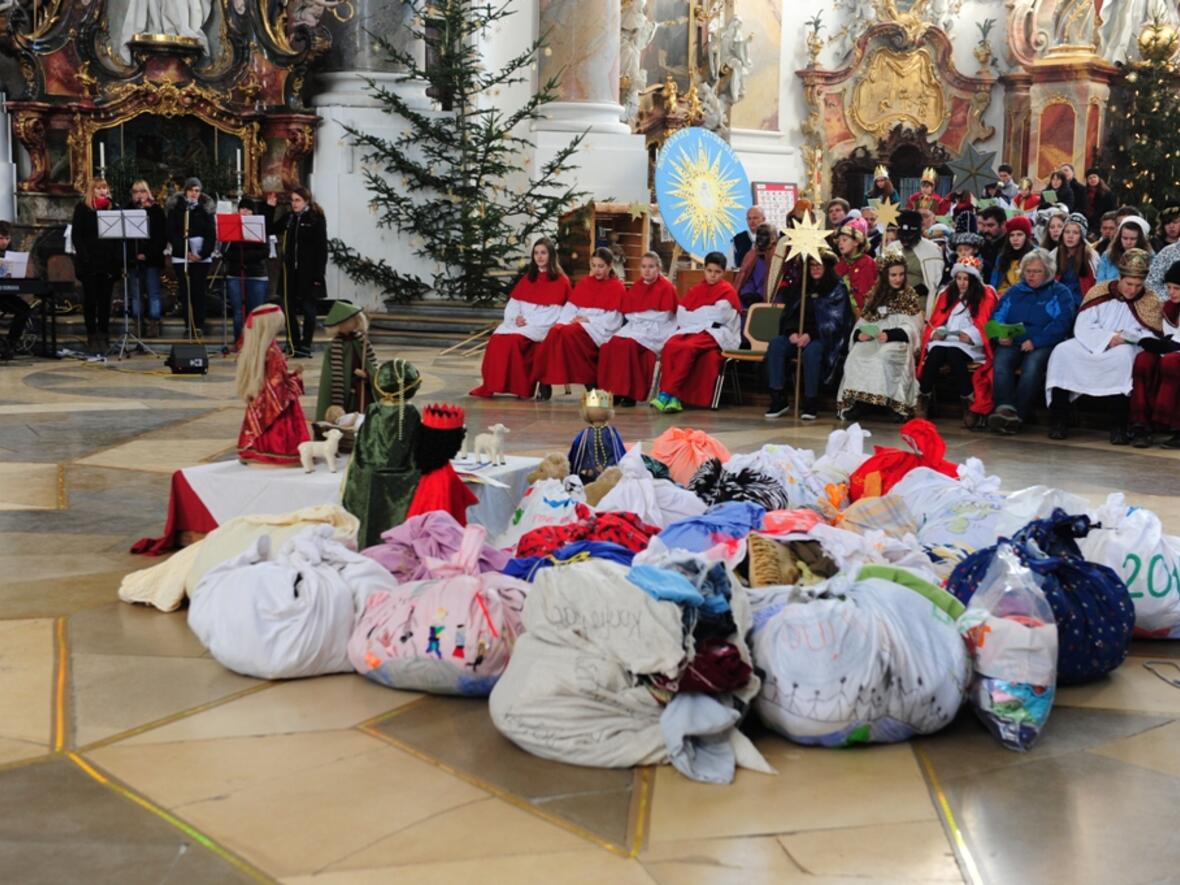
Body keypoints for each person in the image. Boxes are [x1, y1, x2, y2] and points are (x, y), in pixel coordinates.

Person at [1046, 248, 1163, 444]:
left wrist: (1125, 338)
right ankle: (1059, 419)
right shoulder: (1100, 291)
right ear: (1120, 277)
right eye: (1128, 283)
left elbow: (1151, 333)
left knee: (1122, 359)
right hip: (1092, 341)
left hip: (1126, 347)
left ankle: (1118, 425)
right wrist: (1107, 338)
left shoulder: (1150, 300)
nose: (1132, 289)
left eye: (1137, 285)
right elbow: (1083, 324)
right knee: (1062, 352)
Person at [985, 249, 1074, 434]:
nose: (1031, 275)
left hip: (1043, 342)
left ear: (1047, 272)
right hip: (1013, 340)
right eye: (1028, 271)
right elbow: (997, 316)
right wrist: (999, 334)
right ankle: (1005, 408)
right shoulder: (1015, 291)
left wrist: (1036, 341)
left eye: (1037, 271)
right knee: (1001, 363)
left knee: (1032, 366)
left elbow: (1062, 323)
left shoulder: (1059, 292)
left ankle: (1019, 414)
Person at [470, 237, 570, 399]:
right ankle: (492, 385)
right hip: (520, 322)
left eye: (543, 253)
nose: (539, 257)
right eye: (536, 253)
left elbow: (556, 312)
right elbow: (514, 303)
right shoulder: (528, 278)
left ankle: (520, 387)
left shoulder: (561, 281)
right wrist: (514, 318)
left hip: (541, 325)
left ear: (551, 255)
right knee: (497, 339)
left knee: (514, 341)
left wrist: (528, 322)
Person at [343, 358, 423, 548]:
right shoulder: (410, 413)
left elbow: (362, 445)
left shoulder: (372, 410)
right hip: (400, 479)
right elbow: (417, 450)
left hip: (368, 478)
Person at [836, 252, 924, 421]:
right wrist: (859, 334)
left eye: (901, 275)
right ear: (885, 276)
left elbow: (913, 326)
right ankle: (861, 403)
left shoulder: (909, 295)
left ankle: (891, 405)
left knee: (884, 356)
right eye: (893, 275)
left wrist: (890, 334)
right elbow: (863, 321)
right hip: (873, 339)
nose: (898, 279)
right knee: (856, 355)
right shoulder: (875, 294)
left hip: (897, 341)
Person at [650, 251, 740, 413]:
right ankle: (673, 397)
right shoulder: (696, 289)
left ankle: (669, 394)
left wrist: (696, 315)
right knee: (671, 344)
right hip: (692, 330)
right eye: (709, 271)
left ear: (724, 272)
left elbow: (720, 316)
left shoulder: (727, 291)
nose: (712, 275)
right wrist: (705, 314)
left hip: (716, 333)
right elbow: (682, 315)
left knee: (687, 348)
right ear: (704, 269)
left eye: (717, 272)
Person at [764, 253, 851, 420]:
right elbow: (789, 314)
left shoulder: (836, 288)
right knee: (776, 344)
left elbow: (837, 321)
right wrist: (791, 333)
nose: (816, 269)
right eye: (812, 265)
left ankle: (811, 401)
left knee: (812, 352)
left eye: (819, 265)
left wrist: (811, 335)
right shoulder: (801, 286)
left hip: (822, 338)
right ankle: (778, 397)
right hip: (797, 335)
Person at [534, 247, 625, 395]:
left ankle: (588, 381)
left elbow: (613, 319)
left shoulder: (617, 287)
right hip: (576, 324)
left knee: (568, 335)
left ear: (609, 266)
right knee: (555, 331)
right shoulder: (585, 283)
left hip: (598, 329)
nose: (597, 270)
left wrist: (588, 319)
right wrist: (567, 321)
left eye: (601, 266)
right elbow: (570, 307)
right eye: (594, 265)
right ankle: (545, 381)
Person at [917, 256, 998, 418]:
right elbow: (939, 319)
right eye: (959, 278)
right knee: (936, 353)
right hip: (947, 339)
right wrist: (938, 331)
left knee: (954, 353)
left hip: (969, 344)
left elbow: (984, 322)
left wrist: (970, 335)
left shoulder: (985, 294)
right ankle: (923, 397)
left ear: (973, 280)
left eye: (966, 279)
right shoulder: (947, 293)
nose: (961, 283)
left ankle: (967, 400)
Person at [597, 251, 677, 406]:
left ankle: (630, 394)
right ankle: (614, 392)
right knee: (611, 345)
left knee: (629, 345)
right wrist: (642, 316)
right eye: (644, 267)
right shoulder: (637, 286)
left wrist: (641, 316)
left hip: (657, 329)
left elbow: (665, 316)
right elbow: (629, 313)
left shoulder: (666, 287)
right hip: (635, 327)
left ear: (658, 268)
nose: (647, 270)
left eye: (651, 267)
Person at [234, 304, 311, 465]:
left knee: (257, 432)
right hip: (278, 409)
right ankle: (277, 455)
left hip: (258, 400)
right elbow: (278, 389)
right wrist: (296, 378)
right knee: (283, 435)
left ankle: (255, 452)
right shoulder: (273, 351)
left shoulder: (255, 349)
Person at [1131, 261, 1180, 448]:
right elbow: (1167, 334)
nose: (1171, 292)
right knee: (1143, 360)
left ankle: (1175, 426)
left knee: (1172, 362)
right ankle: (1140, 423)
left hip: (1174, 354)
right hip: (1171, 349)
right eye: (1169, 287)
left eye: (1176, 288)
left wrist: (1164, 346)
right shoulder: (1169, 307)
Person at [72, 178, 123, 354]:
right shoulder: (83, 209)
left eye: (105, 188)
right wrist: (85, 257)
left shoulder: (113, 209)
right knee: (91, 300)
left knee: (105, 301)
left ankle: (104, 333)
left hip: (107, 262)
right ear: (92, 191)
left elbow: (118, 236)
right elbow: (77, 236)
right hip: (89, 262)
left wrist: (116, 259)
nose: (103, 191)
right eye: (99, 188)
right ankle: (91, 334)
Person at [278, 185, 328, 357]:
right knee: (288, 308)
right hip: (290, 272)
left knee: (308, 309)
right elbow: (272, 228)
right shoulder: (290, 218)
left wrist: (319, 275)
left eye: (297, 200)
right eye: (292, 200)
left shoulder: (316, 219)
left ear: (306, 201)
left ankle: (306, 343)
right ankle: (293, 342)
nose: (294, 204)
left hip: (309, 272)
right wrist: (269, 207)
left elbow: (322, 250)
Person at [166, 176, 215, 339]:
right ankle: (188, 325)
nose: (195, 194)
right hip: (182, 255)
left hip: (200, 256)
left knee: (199, 291)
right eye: (192, 190)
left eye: (198, 191)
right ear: (186, 191)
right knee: (186, 291)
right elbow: (172, 232)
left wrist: (201, 254)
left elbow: (210, 234)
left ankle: (199, 325)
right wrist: (183, 251)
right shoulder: (177, 209)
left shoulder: (205, 209)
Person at [314, 300, 377, 427]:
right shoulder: (334, 347)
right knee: (345, 419)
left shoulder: (362, 342)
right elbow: (330, 375)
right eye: (351, 320)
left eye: (355, 320)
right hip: (344, 392)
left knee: (364, 416)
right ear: (340, 324)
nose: (354, 322)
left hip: (362, 389)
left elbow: (372, 364)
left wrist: (367, 374)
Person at [222, 196, 274, 343]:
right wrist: (242, 256)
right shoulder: (231, 226)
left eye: (248, 209)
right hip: (235, 274)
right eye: (242, 208)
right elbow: (225, 252)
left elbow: (264, 252)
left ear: (253, 212)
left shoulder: (260, 227)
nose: (245, 211)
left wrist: (243, 256)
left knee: (255, 311)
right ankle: (239, 340)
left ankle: (255, 342)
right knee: (238, 311)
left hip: (256, 275)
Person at [125, 180, 167, 338]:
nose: (139, 195)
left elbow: (161, 237)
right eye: (136, 192)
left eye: (142, 191)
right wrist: (133, 254)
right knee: (135, 293)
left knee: (153, 292)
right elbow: (125, 236)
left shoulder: (156, 210)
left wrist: (147, 254)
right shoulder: (128, 209)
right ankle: (137, 323)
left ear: (148, 193)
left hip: (152, 258)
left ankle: (154, 324)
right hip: (133, 258)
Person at [895, 209, 943, 315]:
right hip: (892, 299)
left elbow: (932, 283)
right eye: (902, 237)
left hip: (917, 303)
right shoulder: (893, 247)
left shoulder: (932, 250)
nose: (905, 241)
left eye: (909, 237)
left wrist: (907, 294)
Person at [0, 222, 32, 361]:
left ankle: (10, 344)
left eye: (7, 238)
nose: (4, 242)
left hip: (4, 293)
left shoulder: (9, 252)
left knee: (24, 310)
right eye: (1, 238)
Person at [834, 218, 877, 316]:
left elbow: (869, 290)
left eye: (844, 240)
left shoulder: (867, 262)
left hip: (864, 315)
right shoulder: (839, 263)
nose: (840, 243)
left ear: (856, 242)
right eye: (839, 240)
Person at [1054, 213, 1098, 304]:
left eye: (1075, 233)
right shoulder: (1055, 254)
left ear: (1081, 236)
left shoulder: (1091, 257)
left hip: (1081, 303)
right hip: (1057, 300)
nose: (1070, 236)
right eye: (1067, 232)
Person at [733, 223, 779, 308]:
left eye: (764, 235)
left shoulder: (777, 257)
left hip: (767, 299)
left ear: (773, 238)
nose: (760, 238)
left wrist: (760, 293)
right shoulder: (751, 254)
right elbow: (745, 277)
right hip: (748, 296)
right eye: (759, 234)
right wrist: (746, 291)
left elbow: (773, 282)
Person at [1096, 216, 1152, 282]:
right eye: (1125, 238)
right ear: (1119, 238)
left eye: (1133, 239)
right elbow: (1099, 282)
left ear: (1140, 239)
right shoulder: (1108, 256)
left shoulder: (1150, 257)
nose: (1128, 242)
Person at [990, 216, 1035, 295]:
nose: (1015, 239)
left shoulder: (1036, 257)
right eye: (1012, 235)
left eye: (1019, 234)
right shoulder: (1002, 257)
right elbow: (995, 284)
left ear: (1026, 236)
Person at [977, 205, 1008, 281]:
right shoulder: (980, 241)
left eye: (990, 225)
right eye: (984, 225)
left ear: (1003, 224)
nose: (986, 230)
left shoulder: (1011, 243)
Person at [1083, 169, 1117, 233]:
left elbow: (1111, 209)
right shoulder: (1084, 192)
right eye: (1090, 178)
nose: (1092, 179)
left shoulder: (1107, 193)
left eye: (1094, 177)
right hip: (1087, 222)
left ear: (1099, 178)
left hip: (1101, 223)